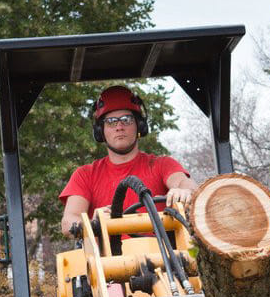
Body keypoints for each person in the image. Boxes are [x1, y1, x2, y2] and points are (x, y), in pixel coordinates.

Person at [60, 85, 194, 236]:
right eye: (111, 121)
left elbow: (186, 184)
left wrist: (184, 191)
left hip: (167, 258)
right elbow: (68, 222)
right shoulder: (85, 175)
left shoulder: (162, 164)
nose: (119, 126)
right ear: (100, 131)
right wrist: (91, 223)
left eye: (126, 119)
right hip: (106, 259)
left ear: (139, 126)